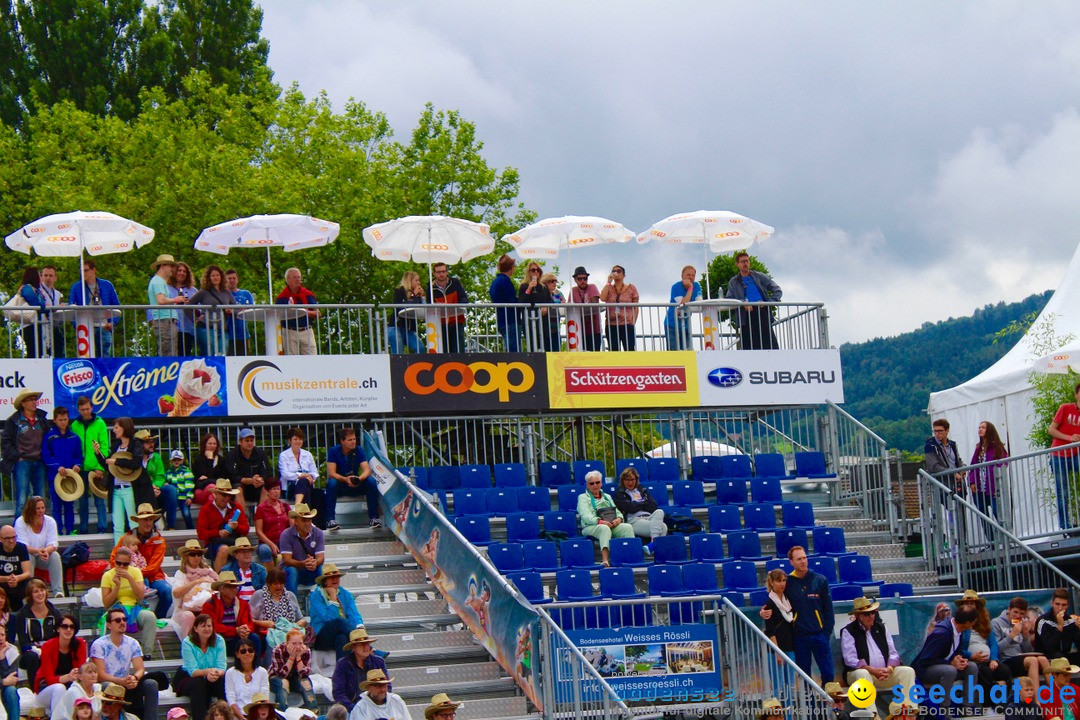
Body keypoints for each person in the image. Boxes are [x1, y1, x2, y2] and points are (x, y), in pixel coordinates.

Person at [839, 597, 916, 707]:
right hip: (858, 674)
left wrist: (889, 669)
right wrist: (872, 670)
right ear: (857, 616)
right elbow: (850, 660)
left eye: (873, 613)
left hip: (884, 673)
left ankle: (909, 711)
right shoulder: (849, 631)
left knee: (908, 671)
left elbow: (893, 653)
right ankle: (873, 716)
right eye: (866, 614)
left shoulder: (882, 628)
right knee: (862, 674)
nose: (871, 616)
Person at [90, 605, 159, 720]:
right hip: (108, 683)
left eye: (124, 619)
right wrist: (120, 681)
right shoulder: (99, 644)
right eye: (117, 620)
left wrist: (134, 678)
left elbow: (140, 669)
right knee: (108, 686)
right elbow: (101, 675)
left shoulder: (133, 643)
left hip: (126, 682)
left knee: (151, 684)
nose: (122, 622)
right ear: (108, 625)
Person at [911, 605, 979, 712]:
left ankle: (968, 707)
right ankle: (945, 709)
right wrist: (951, 663)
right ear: (967, 623)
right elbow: (925, 660)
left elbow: (956, 651)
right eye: (974, 622)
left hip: (944, 666)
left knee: (972, 667)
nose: (975, 624)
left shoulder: (959, 630)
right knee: (950, 670)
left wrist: (960, 660)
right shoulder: (941, 633)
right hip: (925, 670)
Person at [95, 417, 152, 543]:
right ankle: (117, 554)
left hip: (130, 489)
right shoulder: (116, 445)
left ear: (124, 428)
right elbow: (108, 465)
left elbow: (136, 463)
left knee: (133, 524)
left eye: (116, 428)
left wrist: (117, 461)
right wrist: (98, 453)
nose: (114, 430)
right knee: (118, 526)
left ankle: (136, 553)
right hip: (115, 489)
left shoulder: (135, 443)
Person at [109, 504, 171, 620]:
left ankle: (156, 619)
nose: (148, 523)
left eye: (150, 519)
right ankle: (136, 619)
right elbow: (114, 558)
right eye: (145, 520)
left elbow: (154, 567)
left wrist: (135, 574)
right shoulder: (126, 538)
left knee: (168, 591)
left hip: (152, 577)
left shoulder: (159, 540)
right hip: (129, 576)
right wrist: (125, 572)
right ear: (138, 521)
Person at [785, 545, 835, 683]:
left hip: (820, 634)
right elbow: (775, 600)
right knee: (804, 676)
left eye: (804, 558)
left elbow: (828, 609)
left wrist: (826, 632)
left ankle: (829, 703)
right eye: (799, 559)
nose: (803, 561)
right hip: (800, 637)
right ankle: (809, 704)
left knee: (828, 673)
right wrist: (763, 611)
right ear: (791, 562)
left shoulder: (820, 580)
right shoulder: (787, 583)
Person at [1, 388, 50, 518]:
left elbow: (48, 440)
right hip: (23, 462)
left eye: (35, 399)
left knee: (40, 500)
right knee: (22, 500)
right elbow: (5, 442)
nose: (35, 402)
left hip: (39, 461)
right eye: (31, 400)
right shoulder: (13, 421)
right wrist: (17, 457)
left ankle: (40, 531)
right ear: (23, 403)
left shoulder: (42, 420)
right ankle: (17, 534)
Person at [100, 546, 157, 656]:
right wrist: (117, 586)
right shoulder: (107, 575)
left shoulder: (135, 572)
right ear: (114, 562)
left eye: (125, 564)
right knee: (114, 620)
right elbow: (106, 603)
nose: (121, 566)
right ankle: (111, 653)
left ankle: (147, 653)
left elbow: (140, 595)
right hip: (117, 608)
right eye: (118, 563)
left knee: (150, 617)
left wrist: (130, 578)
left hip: (136, 607)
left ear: (130, 563)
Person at [956, 589, 1012, 693]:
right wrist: (971, 656)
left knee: (1005, 670)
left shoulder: (985, 623)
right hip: (972, 661)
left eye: (972, 603)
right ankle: (987, 705)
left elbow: (993, 644)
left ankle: (1005, 703)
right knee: (986, 673)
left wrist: (993, 659)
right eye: (967, 604)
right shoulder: (960, 624)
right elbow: (957, 649)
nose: (970, 606)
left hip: (988, 660)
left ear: (977, 606)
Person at [12, 577, 63, 693]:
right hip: (31, 653)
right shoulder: (22, 615)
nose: (40, 594)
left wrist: (47, 649)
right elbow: (23, 642)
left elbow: (60, 637)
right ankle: (36, 691)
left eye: (42, 590)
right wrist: (36, 650)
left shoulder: (55, 613)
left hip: (51, 650)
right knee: (32, 657)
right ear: (30, 595)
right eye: (36, 591)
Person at [725, 251, 783, 350]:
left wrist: (768, 303)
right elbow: (729, 299)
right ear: (737, 264)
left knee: (769, 343)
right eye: (742, 262)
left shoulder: (759, 276)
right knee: (748, 345)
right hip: (745, 315)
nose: (745, 264)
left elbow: (777, 290)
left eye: (747, 261)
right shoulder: (733, 281)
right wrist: (743, 303)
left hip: (762, 312)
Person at [173, 613, 226, 720]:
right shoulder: (187, 642)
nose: (207, 629)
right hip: (189, 678)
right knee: (198, 683)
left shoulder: (219, 641)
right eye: (203, 626)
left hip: (212, 675)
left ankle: (225, 715)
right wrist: (208, 672)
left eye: (209, 626)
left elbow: (221, 667)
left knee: (222, 680)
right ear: (196, 628)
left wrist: (215, 674)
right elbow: (193, 671)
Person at [325, 427, 380, 531]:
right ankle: (330, 520)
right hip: (341, 484)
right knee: (332, 483)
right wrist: (345, 479)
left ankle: (374, 518)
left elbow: (366, 470)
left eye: (354, 439)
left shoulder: (359, 450)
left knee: (371, 481)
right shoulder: (333, 451)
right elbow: (332, 473)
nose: (353, 442)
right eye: (350, 440)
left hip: (355, 484)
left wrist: (358, 479)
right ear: (342, 441)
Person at [577, 470, 634, 567]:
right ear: (587, 485)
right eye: (592, 483)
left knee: (627, 527)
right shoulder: (582, 497)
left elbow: (617, 511)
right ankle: (605, 560)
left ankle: (629, 557)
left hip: (610, 523)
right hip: (591, 526)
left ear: (601, 483)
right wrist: (600, 521)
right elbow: (585, 516)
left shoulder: (607, 496)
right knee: (604, 528)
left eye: (597, 482)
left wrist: (619, 519)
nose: (595, 485)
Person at [992, 596, 1051, 690]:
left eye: (1021, 614)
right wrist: (1011, 635)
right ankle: (1035, 700)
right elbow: (996, 650)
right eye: (1015, 612)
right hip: (1005, 660)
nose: (1018, 616)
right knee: (1032, 661)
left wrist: (1025, 635)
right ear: (1009, 610)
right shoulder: (996, 623)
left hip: (1020, 657)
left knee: (1043, 659)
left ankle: (1056, 695)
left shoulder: (1023, 622)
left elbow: (1027, 650)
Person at [71, 397, 109, 534]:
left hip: (95, 468)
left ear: (92, 408)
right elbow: (73, 448)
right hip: (81, 468)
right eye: (82, 410)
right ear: (78, 410)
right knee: (82, 502)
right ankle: (84, 529)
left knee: (99, 500)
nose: (85, 412)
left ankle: (102, 529)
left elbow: (104, 446)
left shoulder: (100, 423)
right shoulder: (75, 425)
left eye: (87, 409)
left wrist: (100, 467)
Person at [308, 563, 364, 659]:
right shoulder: (315, 596)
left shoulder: (345, 593)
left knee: (341, 638)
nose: (335, 579)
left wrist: (359, 626)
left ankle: (343, 672)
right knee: (339, 621)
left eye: (337, 577)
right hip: (321, 637)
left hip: (342, 632)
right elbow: (329, 618)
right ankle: (366, 646)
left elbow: (353, 614)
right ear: (324, 581)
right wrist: (333, 598)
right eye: (331, 577)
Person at [202, 571, 262, 657]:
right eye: (230, 587)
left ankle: (255, 667)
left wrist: (245, 630)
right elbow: (212, 626)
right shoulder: (210, 604)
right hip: (219, 639)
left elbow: (249, 623)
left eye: (235, 587)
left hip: (237, 638)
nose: (234, 590)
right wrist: (235, 630)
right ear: (221, 589)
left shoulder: (243, 604)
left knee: (254, 638)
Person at [42, 405, 82, 535]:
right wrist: (57, 466)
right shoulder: (49, 437)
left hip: (70, 477)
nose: (63, 422)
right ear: (54, 420)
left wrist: (77, 465)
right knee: (56, 506)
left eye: (65, 419)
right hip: (55, 476)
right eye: (60, 420)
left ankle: (71, 530)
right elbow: (46, 456)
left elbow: (79, 455)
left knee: (69, 505)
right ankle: (57, 531)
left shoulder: (74, 438)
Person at [34, 612, 85, 714]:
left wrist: (77, 674)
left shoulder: (80, 644)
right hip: (46, 688)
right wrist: (69, 677)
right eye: (64, 626)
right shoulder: (47, 646)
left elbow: (82, 671)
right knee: (59, 687)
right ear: (58, 629)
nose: (68, 629)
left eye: (72, 627)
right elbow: (49, 680)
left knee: (79, 688)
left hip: (71, 686)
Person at [68, 259, 120, 357]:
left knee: (104, 357)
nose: (83, 273)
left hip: (103, 326)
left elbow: (116, 305)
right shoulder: (76, 287)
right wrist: (77, 325)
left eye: (86, 270)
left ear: (94, 270)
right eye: (81, 270)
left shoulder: (106, 285)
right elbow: (71, 307)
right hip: (84, 327)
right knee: (86, 358)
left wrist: (113, 322)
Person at [249, 567, 304, 657]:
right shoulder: (259, 595)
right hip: (266, 634)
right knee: (271, 642)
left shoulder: (290, 596)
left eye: (281, 583)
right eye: (275, 584)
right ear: (269, 584)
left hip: (289, 633)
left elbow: (301, 619)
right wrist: (264, 624)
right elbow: (250, 619)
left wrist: (296, 626)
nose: (278, 586)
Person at [196, 479, 250, 571]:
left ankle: (244, 579)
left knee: (244, 552)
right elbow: (201, 533)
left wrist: (236, 527)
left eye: (229, 496)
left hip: (233, 542)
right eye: (223, 495)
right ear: (216, 494)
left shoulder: (236, 507)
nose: (226, 498)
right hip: (213, 544)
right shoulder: (206, 509)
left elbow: (245, 530)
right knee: (224, 549)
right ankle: (219, 580)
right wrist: (218, 533)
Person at [15, 495, 63, 597]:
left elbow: (54, 543)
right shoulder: (21, 521)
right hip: (27, 555)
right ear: (31, 509)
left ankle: (58, 591)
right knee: (28, 556)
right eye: (38, 508)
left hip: (43, 555)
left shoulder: (50, 521)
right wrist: (37, 551)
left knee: (55, 556)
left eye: (43, 508)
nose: (41, 511)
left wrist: (45, 551)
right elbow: (22, 546)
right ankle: (30, 592)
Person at [1047, 382, 1080, 530]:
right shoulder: (1066, 408)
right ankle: (1065, 526)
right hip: (1059, 454)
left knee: (1065, 492)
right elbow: (1051, 430)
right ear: (1076, 394)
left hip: (1075, 454)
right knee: (1063, 492)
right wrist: (1069, 438)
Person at [170, 540, 218, 640]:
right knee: (188, 616)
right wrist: (196, 582)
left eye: (199, 554)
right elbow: (176, 593)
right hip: (184, 609)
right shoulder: (181, 573)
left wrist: (203, 591)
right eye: (192, 554)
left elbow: (218, 587)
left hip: (205, 608)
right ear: (186, 556)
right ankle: (188, 646)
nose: (196, 557)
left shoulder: (208, 571)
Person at [332, 628, 389, 711]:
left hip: (376, 707)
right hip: (351, 708)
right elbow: (338, 692)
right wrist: (355, 710)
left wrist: (378, 707)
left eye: (367, 643)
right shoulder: (343, 664)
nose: (366, 647)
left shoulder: (379, 662)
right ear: (353, 647)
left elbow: (387, 686)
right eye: (362, 644)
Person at [611, 466, 666, 551]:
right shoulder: (620, 494)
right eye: (627, 480)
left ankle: (652, 543)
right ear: (623, 481)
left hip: (649, 517)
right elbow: (631, 508)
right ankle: (655, 548)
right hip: (634, 520)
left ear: (636, 480)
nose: (630, 482)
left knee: (659, 511)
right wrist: (644, 503)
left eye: (632, 479)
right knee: (663, 527)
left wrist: (637, 504)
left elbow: (654, 505)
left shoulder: (642, 490)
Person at [189, 265, 235, 356]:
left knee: (222, 356)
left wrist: (231, 311)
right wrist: (195, 318)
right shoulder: (204, 292)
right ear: (209, 278)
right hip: (206, 328)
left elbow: (236, 308)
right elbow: (188, 305)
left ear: (221, 277)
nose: (215, 277)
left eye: (217, 275)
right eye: (213, 275)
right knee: (210, 354)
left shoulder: (226, 292)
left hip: (222, 328)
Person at [278, 503, 324, 594]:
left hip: (310, 570)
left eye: (309, 520)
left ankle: (323, 600)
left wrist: (314, 562)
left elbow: (321, 558)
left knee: (322, 570)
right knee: (291, 570)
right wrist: (304, 564)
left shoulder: (318, 533)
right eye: (304, 520)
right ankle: (291, 604)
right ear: (296, 521)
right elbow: (287, 560)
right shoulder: (286, 534)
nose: (307, 523)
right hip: (293, 571)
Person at [267, 628, 318, 710]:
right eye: (294, 643)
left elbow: (304, 674)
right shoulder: (278, 650)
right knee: (284, 683)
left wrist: (298, 657)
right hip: (277, 678)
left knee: (306, 683)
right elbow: (281, 674)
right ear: (287, 643)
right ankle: (282, 712)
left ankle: (313, 711)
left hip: (295, 677)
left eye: (300, 643)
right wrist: (291, 657)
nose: (297, 647)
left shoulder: (306, 650)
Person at [226, 428, 272, 515]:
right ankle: (242, 519)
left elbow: (267, 472)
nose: (250, 443)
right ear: (240, 441)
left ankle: (260, 518)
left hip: (256, 487)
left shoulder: (260, 453)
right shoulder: (232, 454)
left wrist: (260, 479)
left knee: (266, 488)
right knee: (238, 489)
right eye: (247, 440)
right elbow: (232, 476)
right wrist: (250, 480)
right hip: (240, 487)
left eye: (251, 440)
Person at [275, 267, 319, 355]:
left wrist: (305, 312)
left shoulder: (307, 294)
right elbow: (278, 316)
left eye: (299, 277)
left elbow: (318, 313)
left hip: (307, 330)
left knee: (312, 360)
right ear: (288, 279)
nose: (298, 279)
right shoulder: (282, 298)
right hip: (290, 331)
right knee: (292, 361)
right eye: (295, 277)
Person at [147, 254, 186, 356]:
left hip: (166, 320)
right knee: (167, 353)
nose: (173, 269)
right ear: (163, 266)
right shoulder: (158, 281)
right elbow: (160, 300)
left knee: (170, 351)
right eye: (171, 266)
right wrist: (176, 299)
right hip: (164, 320)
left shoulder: (159, 281)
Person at [226, 637, 269, 720]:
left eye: (250, 650)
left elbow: (264, 697)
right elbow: (231, 700)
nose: (247, 653)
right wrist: (241, 718)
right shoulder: (230, 673)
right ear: (237, 654)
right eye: (243, 651)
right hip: (237, 715)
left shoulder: (262, 672)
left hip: (258, 715)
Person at [1035, 587, 1080, 664]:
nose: (1060, 608)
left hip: (1064, 655)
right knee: (1059, 657)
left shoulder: (1070, 621)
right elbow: (1049, 648)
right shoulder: (1043, 621)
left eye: (1064, 605)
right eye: (1057, 604)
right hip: (1045, 657)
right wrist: (1059, 627)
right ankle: (1052, 677)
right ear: (1052, 603)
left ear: (1068, 605)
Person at [430, 262, 468, 353]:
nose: (441, 274)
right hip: (440, 324)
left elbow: (464, 298)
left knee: (459, 352)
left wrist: (459, 306)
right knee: (443, 353)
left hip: (457, 321)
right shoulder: (431, 288)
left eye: (443, 271)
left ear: (447, 272)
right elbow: (429, 305)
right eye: (438, 272)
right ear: (434, 274)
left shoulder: (455, 282)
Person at [600, 264, 638, 351]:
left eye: (619, 271)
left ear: (624, 275)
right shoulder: (609, 288)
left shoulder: (631, 288)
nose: (616, 273)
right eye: (614, 271)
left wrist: (633, 321)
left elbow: (636, 306)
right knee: (614, 351)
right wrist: (608, 282)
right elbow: (602, 298)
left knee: (629, 350)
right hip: (611, 324)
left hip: (627, 324)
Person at [517, 261, 553, 352]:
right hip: (529, 320)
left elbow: (551, 301)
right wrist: (529, 288)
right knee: (532, 347)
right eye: (533, 270)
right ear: (529, 272)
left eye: (538, 270)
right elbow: (521, 302)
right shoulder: (523, 286)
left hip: (543, 321)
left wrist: (546, 307)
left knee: (545, 346)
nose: (536, 272)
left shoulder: (544, 287)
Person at [489, 255, 521, 352]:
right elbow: (512, 300)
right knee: (513, 351)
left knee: (509, 348)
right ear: (511, 268)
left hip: (501, 320)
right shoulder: (505, 281)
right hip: (510, 320)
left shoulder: (495, 282)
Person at [254, 480, 291, 565]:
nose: (276, 491)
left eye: (278, 489)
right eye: (274, 489)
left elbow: (292, 525)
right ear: (267, 491)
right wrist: (271, 544)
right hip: (266, 542)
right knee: (265, 550)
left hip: (283, 541)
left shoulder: (285, 506)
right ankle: (271, 576)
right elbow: (258, 531)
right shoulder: (261, 508)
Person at [277, 427, 318, 506]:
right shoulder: (283, 455)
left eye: (300, 439)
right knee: (304, 485)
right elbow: (285, 474)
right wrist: (301, 475)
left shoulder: (308, 454)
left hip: (307, 485)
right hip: (290, 489)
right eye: (295, 439)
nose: (298, 441)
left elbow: (314, 472)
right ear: (290, 440)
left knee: (306, 486)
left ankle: (298, 506)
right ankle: (306, 515)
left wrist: (311, 477)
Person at [14, 266, 48, 357]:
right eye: (39, 275)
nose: (41, 278)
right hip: (29, 324)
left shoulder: (34, 289)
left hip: (33, 324)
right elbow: (34, 303)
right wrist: (44, 307)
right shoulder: (27, 288)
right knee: (33, 350)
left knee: (37, 350)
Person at [220, 537, 266, 604]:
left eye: (249, 552)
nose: (247, 554)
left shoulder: (261, 570)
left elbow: (266, 592)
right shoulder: (227, 570)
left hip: (257, 606)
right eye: (244, 552)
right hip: (235, 606)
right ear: (236, 555)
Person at [664, 265, 700, 351]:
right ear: (682, 276)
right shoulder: (676, 287)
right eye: (688, 275)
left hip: (686, 324)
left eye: (693, 275)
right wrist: (690, 288)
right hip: (672, 324)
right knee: (674, 352)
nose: (691, 277)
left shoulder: (697, 285)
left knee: (686, 351)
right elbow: (683, 304)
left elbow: (698, 302)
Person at [390, 270, 426, 354]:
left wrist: (422, 297)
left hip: (409, 329)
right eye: (416, 280)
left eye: (419, 280)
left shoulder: (416, 295)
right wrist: (413, 295)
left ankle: (418, 366)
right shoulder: (399, 291)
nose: (419, 283)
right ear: (409, 280)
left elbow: (422, 308)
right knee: (398, 353)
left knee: (420, 348)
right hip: (396, 327)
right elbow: (401, 307)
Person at [192, 432, 230, 507]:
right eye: (210, 443)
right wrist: (210, 460)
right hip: (201, 491)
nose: (212, 446)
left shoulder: (221, 460)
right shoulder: (199, 460)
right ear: (204, 445)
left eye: (214, 444)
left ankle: (212, 517)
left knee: (212, 495)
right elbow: (200, 482)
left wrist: (208, 480)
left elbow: (222, 479)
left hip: (217, 491)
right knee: (212, 488)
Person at [569, 266, 602, 351]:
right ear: (575, 280)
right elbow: (569, 308)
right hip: (579, 330)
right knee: (581, 357)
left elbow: (595, 304)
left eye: (585, 278)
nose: (583, 281)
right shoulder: (573, 291)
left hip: (594, 329)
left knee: (594, 356)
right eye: (580, 279)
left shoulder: (592, 287)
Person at [0, 524, 32, 610]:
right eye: (7, 538)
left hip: (18, 582)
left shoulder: (21, 547)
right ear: (0, 539)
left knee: (32, 582)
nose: (11, 541)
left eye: (14, 537)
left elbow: (27, 573)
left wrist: (16, 578)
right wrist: (7, 579)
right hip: (2, 583)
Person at [925, 418, 964, 486]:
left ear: (947, 430)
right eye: (935, 431)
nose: (937, 434)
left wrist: (963, 469)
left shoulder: (952, 444)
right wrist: (953, 473)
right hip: (942, 485)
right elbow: (934, 467)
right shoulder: (930, 446)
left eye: (940, 431)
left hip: (957, 483)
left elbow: (958, 460)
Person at [225, 269, 255, 356]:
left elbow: (250, 309)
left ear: (237, 279)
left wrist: (235, 311)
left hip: (243, 334)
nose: (232, 280)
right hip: (228, 335)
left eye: (234, 278)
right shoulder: (224, 294)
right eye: (229, 278)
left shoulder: (245, 293)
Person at [172, 261, 199, 356]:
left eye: (184, 271)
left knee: (185, 357)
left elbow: (199, 312)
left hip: (187, 329)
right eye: (179, 270)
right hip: (170, 328)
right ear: (174, 272)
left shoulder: (193, 290)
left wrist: (190, 306)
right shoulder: (166, 287)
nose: (182, 273)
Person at [39, 265, 66, 357]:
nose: (48, 278)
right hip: (42, 325)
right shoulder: (38, 291)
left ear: (55, 278)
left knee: (58, 350)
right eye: (45, 275)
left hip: (54, 325)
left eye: (50, 275)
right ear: (41, 276)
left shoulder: (58, 293)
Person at [165, 449, 195, 530]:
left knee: (186, 513)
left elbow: (189, 485)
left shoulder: (186, 472)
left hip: (183, 497)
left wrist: (189, 497)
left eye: (178, 459)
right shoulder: (168, 472)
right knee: (170, 512)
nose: (176, 461)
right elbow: (166, 483)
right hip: (173, 498)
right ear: (171, 461)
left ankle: (190, 528)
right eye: (174, 460)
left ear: (182, 460)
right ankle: (170, 527)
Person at [540, 272, 564, 351]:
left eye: (555, 281)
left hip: (556, 329)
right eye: (551, 281)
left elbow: (564, 305)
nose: (554, 283)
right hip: (544, 329)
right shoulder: (541, 294)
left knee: (556, 352)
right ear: (545, 282)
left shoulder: (559, 294)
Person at [0, 622, 18, 720]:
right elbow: (6, 680)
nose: (0, 638)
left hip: (4, 690)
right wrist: (3, 682)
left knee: (11, 690)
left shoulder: (12, 650)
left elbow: (12, 679)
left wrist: (2, 657)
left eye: (2, 635)